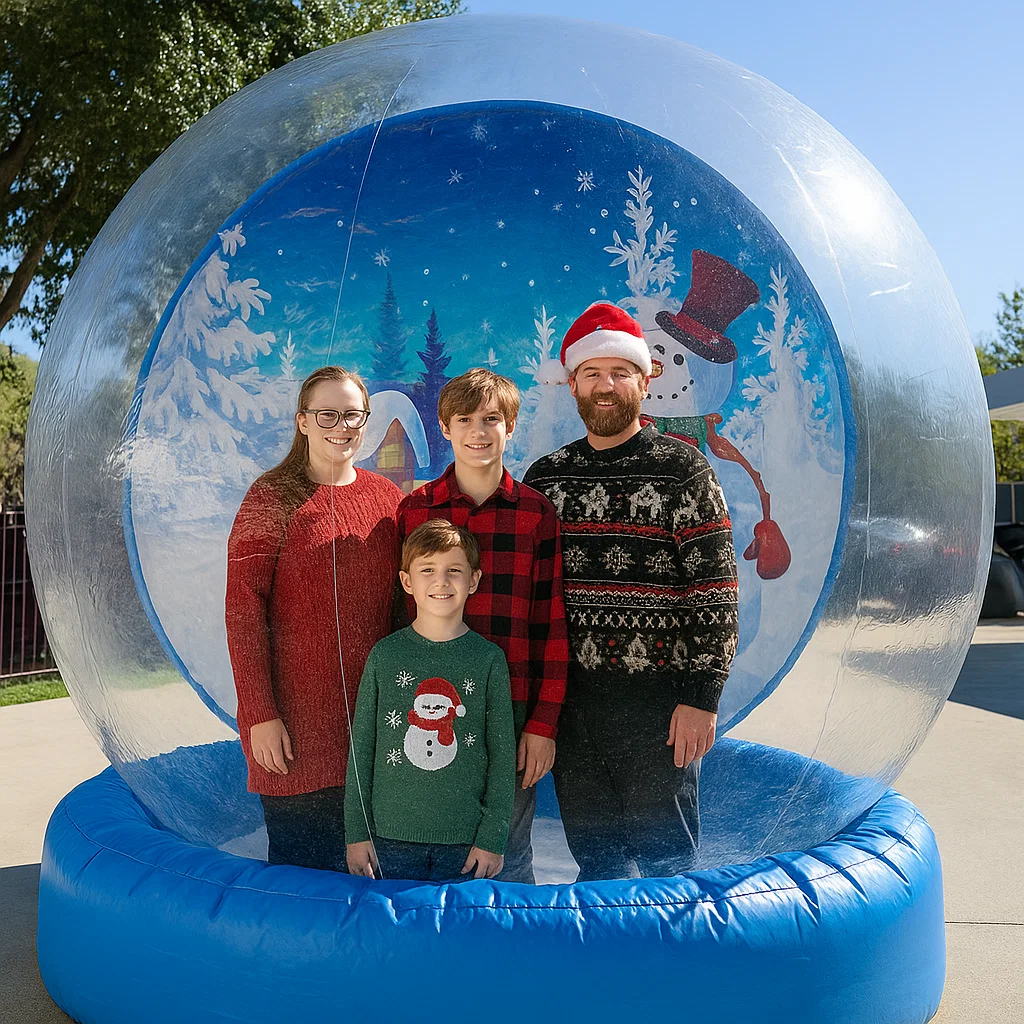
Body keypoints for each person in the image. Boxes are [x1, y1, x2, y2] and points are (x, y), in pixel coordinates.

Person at [523, 303, 739, 880]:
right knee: (597, 864)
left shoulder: (683, 469)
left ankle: (679, 971)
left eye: (620, 372)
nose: (606, 385)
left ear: (646, 380)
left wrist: (702, 697)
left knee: (668, 863)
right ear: (572, 384)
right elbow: (532, 598)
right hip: (574, 708)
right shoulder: (546, 478)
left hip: (661, 707)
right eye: (592, 373)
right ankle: (609, 972)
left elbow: (714, 589)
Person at [226, 366, 404, 872]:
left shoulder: (387, 500)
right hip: (293, 735)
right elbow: (243, 612)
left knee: (371, 887)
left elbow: (401, 611)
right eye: (327, 413)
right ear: (302, 421)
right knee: (298, 885)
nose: (341, 425)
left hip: (373, 730)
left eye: (353, 415)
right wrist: (259, 713)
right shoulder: (271, 496)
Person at [395, 368, 568, 884]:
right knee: (430, 837)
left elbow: (551, 625)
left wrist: (542, 725)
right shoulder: (415, 510)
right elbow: (395, 616)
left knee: (507, 850)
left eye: (491, 419)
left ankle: (514, 952)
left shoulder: (536, 514)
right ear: (445, 428)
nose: (478, 431)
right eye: (464, 419)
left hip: (510, 707)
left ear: (510, 426)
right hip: (427, 700)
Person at [345, 519, 516, 882]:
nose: (441, 581)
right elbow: (361, 750)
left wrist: (493, 838)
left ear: (473, 580)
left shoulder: (488, 659)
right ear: (408, 581)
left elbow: (502, 758)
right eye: (428, 570)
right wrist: (357, 834)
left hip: (466, 844)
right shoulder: (385, 656)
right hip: (388, 841)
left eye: (454, 570)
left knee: (458, 938)